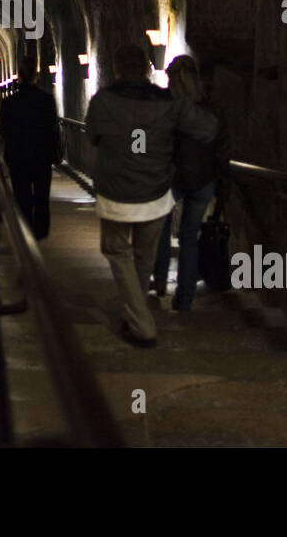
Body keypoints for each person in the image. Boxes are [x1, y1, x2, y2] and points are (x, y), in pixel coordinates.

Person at [85, 44, 217, 348]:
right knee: (144, 256)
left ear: (117, 70)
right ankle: (135, 311)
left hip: (116, 193)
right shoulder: (168, 102)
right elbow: (208, 129)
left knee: (118, 252)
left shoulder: (103, 100)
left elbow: (92, 135)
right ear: (147, 70)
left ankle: (141, 322)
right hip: (155, 193)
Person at [152, 55, 229, 311]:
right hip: (204, 178)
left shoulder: (168, 106)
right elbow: (221, 141)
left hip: (174, 175)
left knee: (160, 225)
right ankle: (184, 298)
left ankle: (160, 279)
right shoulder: (209, 106)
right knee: (189, 237)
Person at [0, 61, 62, 241]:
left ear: (19, 76)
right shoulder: (47, 100)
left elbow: (4, 130)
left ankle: (25, 229)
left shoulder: (9, 102)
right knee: (41, 195)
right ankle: (40, 231)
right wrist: (57, 152)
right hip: (41, 155)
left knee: (21, 193)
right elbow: (52, 128)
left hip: (17, 155)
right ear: (36, 76)